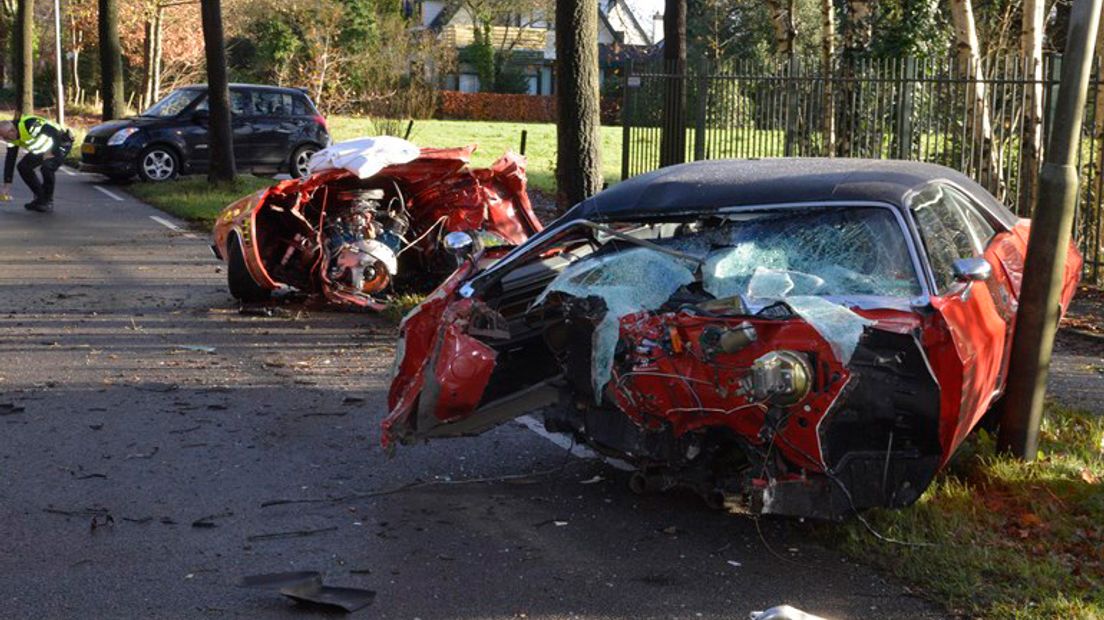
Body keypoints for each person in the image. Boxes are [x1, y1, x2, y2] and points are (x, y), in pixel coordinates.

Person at [0, 114, 75, 213]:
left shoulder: (29, 124)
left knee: (47, 167)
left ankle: (47, 202)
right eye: (2, 138)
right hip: (43, 148)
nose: (5, 140)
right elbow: (10, 159)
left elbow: (53, 132)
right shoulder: (10, 137)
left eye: (6, 137)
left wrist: (50, 152)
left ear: (12, 131)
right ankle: (40, 199)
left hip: (60, 142)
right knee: (23, 167)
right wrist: (7, 184)